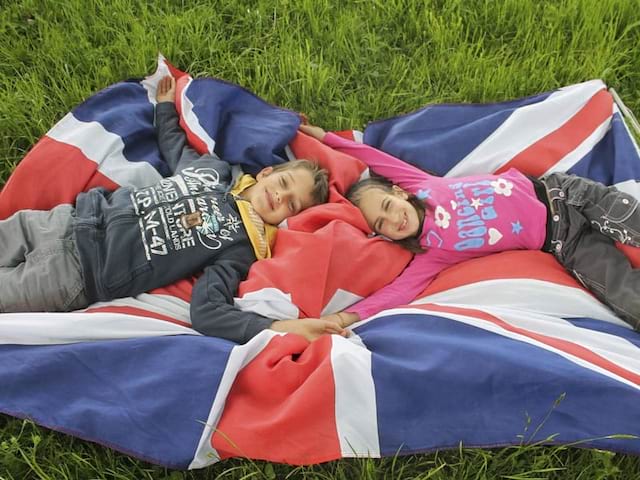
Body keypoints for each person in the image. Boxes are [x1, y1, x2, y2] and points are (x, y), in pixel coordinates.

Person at [0, 76, 346, 343]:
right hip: (64, 221)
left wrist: (281, 326)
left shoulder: (242, 249)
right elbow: (174, 146)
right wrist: (165, 106)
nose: (281, 199)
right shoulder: (213, 171)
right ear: (267, 173)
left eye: (292, 205)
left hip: (76, 273)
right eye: (284, 186)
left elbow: (209, 312)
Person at [298, 124, 640, 331]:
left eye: (388, 206)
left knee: (631, 221)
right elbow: (397, 293)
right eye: (382, 224)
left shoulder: (420, 183)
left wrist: (325, 138)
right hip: (566, 241)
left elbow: (371, 156)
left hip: (564, 194)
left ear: (399, 191)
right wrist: (347, 318)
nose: (394, 220)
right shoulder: (432, 254)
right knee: (626, 298)